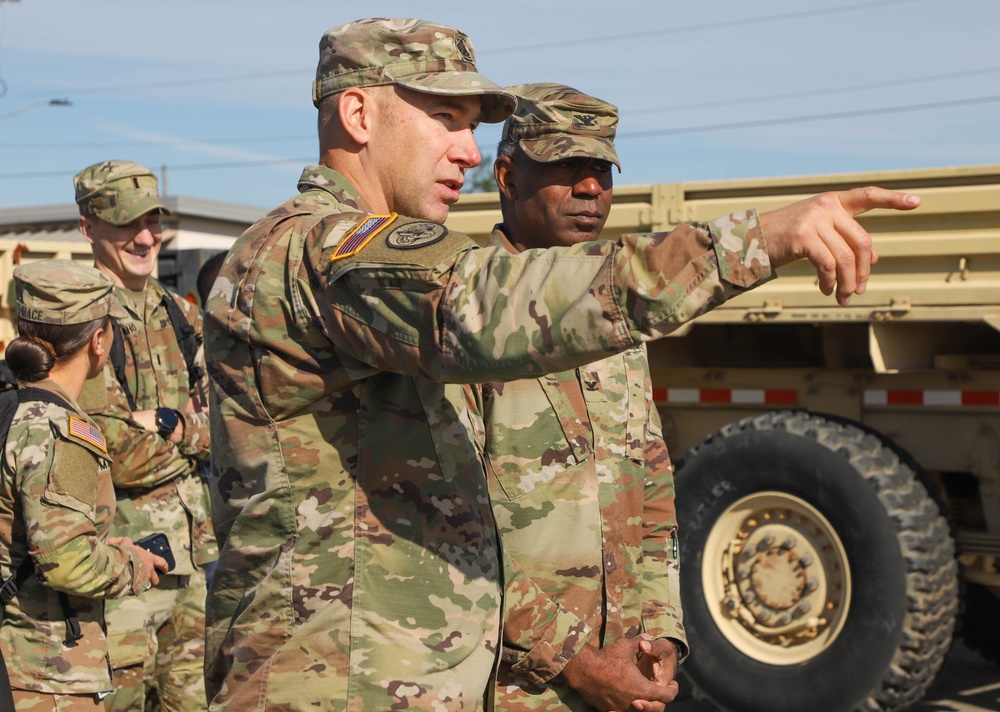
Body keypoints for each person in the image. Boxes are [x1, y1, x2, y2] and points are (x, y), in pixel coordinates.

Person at [203, 16, 919, 712]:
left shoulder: (360, 263)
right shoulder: (314, 252)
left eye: (472, 128)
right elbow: (482, 298)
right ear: (358, 113)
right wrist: (757, 240)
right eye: (445, 118)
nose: (467, 152)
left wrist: (653, 626)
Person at [483, 82, 686, 711]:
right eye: (566, 168)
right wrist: (576, 661)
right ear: (508, 177)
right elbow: (440, 529)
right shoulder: (464, 321)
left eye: (601, 170)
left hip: (625, 680)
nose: (592, 189)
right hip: (516, 685)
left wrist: (661, 631)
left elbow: (650, 484)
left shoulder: (610, 316)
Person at [73, 160, 217, 712]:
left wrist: (169, 424)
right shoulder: (80, 319)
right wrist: (188, 434)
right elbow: (103, 452)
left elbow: (228, 424)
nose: (146, 236)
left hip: (193, 556)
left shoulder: (180, 313)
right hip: (120, 563)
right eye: (128, 222)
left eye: (154, 220)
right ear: (89, 228)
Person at [0, 259, 167, 711]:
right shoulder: (59, 430)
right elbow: (65, 562)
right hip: (44, 674)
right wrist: (132, 563)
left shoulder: (9, 405)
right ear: (98, 341)